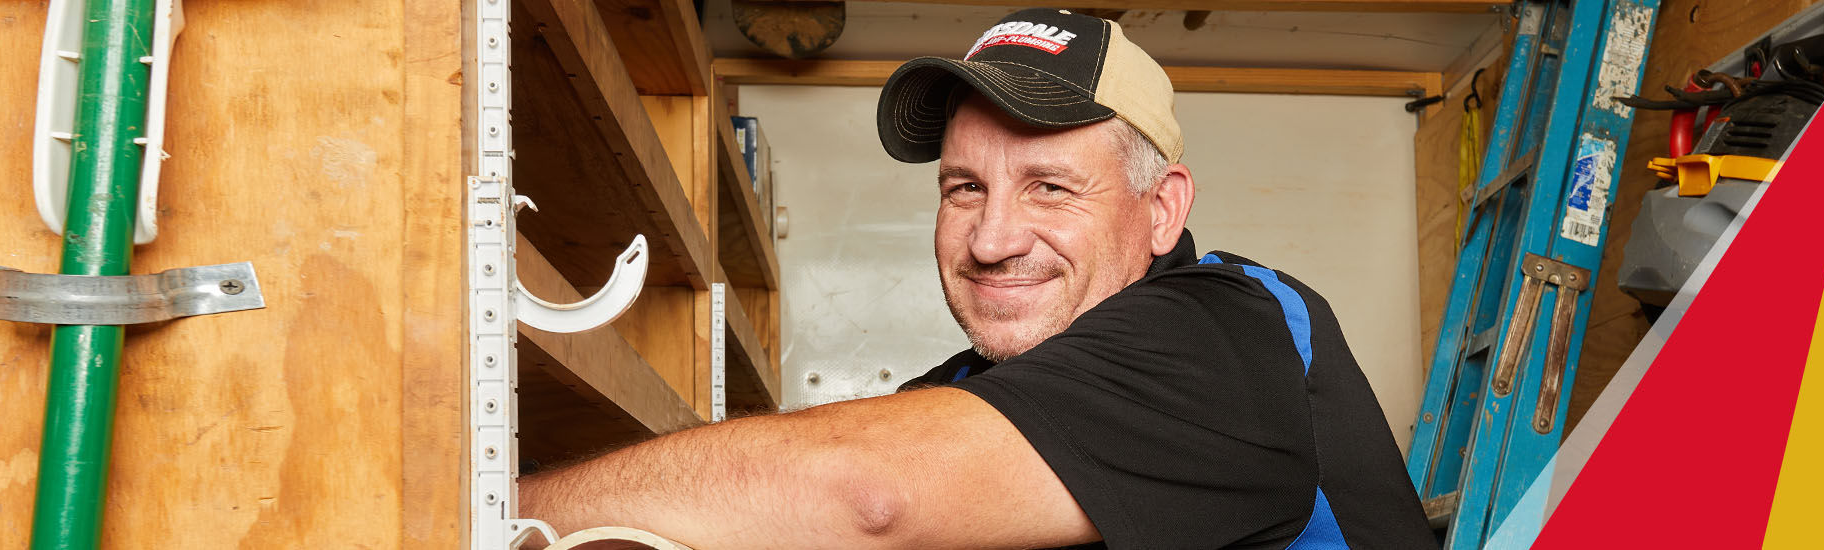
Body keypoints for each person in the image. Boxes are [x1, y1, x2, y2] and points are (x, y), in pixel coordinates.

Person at [523, 8, 1433, 549]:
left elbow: (868, 493)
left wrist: (486, 510)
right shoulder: (975, 391)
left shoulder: (1230, 332)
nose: (992, 238)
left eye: (1050, 187)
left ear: (1162, 211)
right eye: (965, 187)